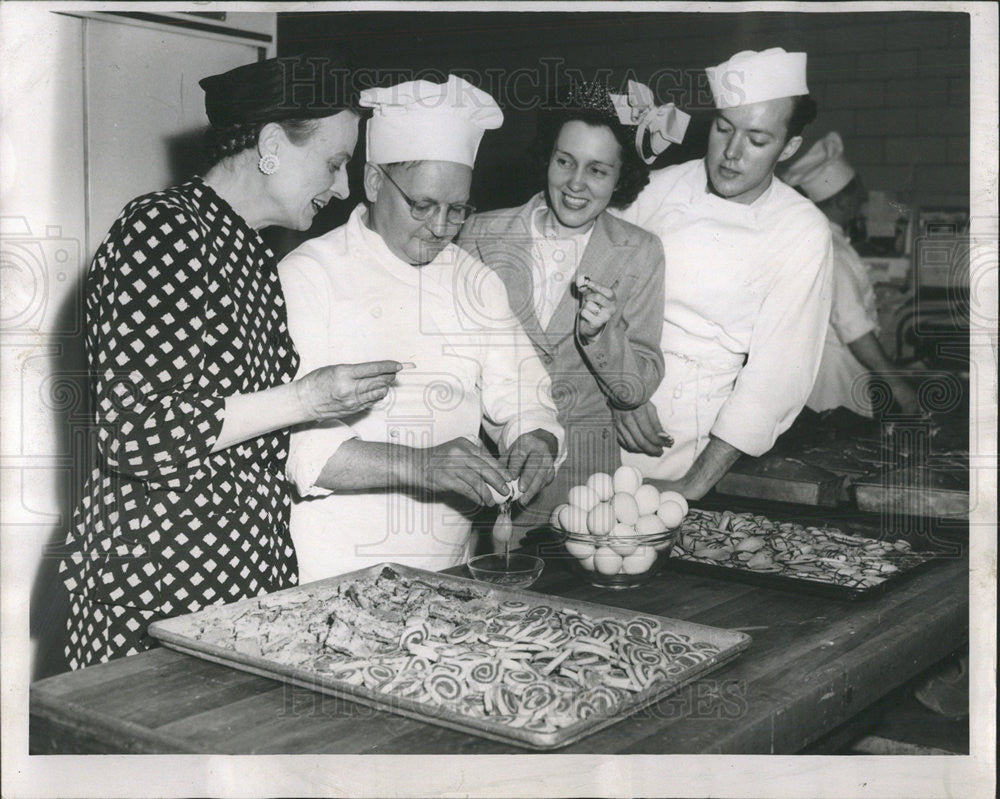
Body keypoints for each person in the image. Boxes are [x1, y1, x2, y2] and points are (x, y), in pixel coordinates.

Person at [58, 52, 403, 669]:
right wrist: (308, 399)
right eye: (334, 161)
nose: (345, 187)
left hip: (239, 583)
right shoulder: (162, 231)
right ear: (272, 144)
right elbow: (134, 433)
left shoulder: (250, 257)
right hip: (159, 590)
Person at [279, 76, 564, 582]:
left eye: (457, 210)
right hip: (333, 568)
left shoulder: (474, 280)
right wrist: (421, 465)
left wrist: (535, 439)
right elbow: (300, 452)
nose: (440, 227)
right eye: (423, 205)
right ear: (372, 182)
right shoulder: (311, 274)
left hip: (449, 567)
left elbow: (523, 394)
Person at [458, 80, 684, 534]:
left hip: (586, 485)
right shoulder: (481, 235)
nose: (576, 184)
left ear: (621, 178)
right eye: (565, 162)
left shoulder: (639, 251)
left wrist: (602, 337)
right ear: (548, 158)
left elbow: (635, 388)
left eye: (598, 170)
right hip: (492, 467)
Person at [612, 48, 834, 498]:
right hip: (602, 409)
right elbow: (589, 293)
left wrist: (692, 485)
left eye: (756, 140)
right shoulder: (656, 189)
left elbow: (775, 377)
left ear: (788, 147)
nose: (732, 154)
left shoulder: (800, 229)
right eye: (723, 128)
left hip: (691, 445)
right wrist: (618, 391)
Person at [783, 132, 921, 417]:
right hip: (834, 389)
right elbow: (855, 330)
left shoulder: (813, 242)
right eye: (858, 195)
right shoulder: (833, 250)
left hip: (813, 384)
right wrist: (901, 388)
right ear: (843, 202)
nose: (862, 202)